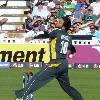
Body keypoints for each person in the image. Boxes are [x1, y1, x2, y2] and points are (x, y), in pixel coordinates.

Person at [15, 16, 83, 100]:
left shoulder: (57, 32)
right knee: (67, 87)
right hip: (64, 64)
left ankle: (21, 97)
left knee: (36, 79)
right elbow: (72, 47)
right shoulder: (68, 36)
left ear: (64, 26)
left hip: (55, 63)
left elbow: (46, 34)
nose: (57, 21)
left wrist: (32, 37)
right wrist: (72, 52)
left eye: (60, 22)